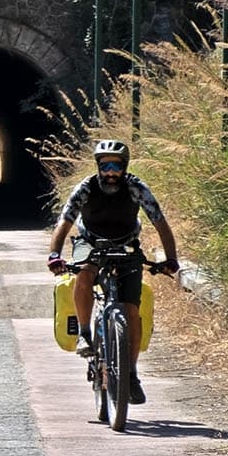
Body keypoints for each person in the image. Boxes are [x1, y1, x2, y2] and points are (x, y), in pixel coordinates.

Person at [46, 140, 180, 404]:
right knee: (84, 273)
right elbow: (65, 220)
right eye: (104, 165)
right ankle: (85, 334)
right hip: (90, 241)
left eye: (115, 166)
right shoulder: (86, 188)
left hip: (126, 243)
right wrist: (55, 255)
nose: (110, 172)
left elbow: (160, 221)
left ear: (124, 166)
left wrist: (171, 258)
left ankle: (131, 375)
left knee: (131, 311)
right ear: (98, 166)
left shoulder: (136, 187)